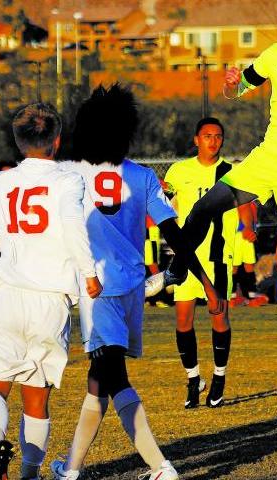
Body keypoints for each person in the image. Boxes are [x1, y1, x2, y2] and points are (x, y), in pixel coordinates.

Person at [49, 85, 218, 480]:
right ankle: (71, 469)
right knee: (100, 379)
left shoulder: (67, 173)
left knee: (114, 378)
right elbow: (174, 233)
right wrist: (206, 283)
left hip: (97, 289)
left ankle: (161, 467)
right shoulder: (142, 176)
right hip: (130, 289)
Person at [146, 0, 277, 307]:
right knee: (204, 208)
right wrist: (232, 84)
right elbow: (239, 88)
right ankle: (175, 273)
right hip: (266, 160)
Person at [0, 103, 102, 480]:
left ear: (17, 142)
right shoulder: (68, 179)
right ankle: (29, 474)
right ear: (57, 141)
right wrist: (87, 272)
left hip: (8, 295)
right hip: (50, 300)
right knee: (37, 395)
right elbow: (70, 224)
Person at [163, 117, 252, 409]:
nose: (213, 141)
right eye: (207, 136)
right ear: (196, 140)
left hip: (218, 256)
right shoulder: (179, 170)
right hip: (187, 254)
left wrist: (248, 223)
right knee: (183, 319)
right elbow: (167, 199)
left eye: (218, 136)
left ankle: (219, 378)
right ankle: (193, 379)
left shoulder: (230, 172)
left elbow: (245, 205)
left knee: (219, 316)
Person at [231, 201, 269, 307]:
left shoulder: (252, 200)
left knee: (249, 265)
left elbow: (253, 217)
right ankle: (231, 297)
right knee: (234, 266)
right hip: (237, 234)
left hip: (247, 236)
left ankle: (251, 296)